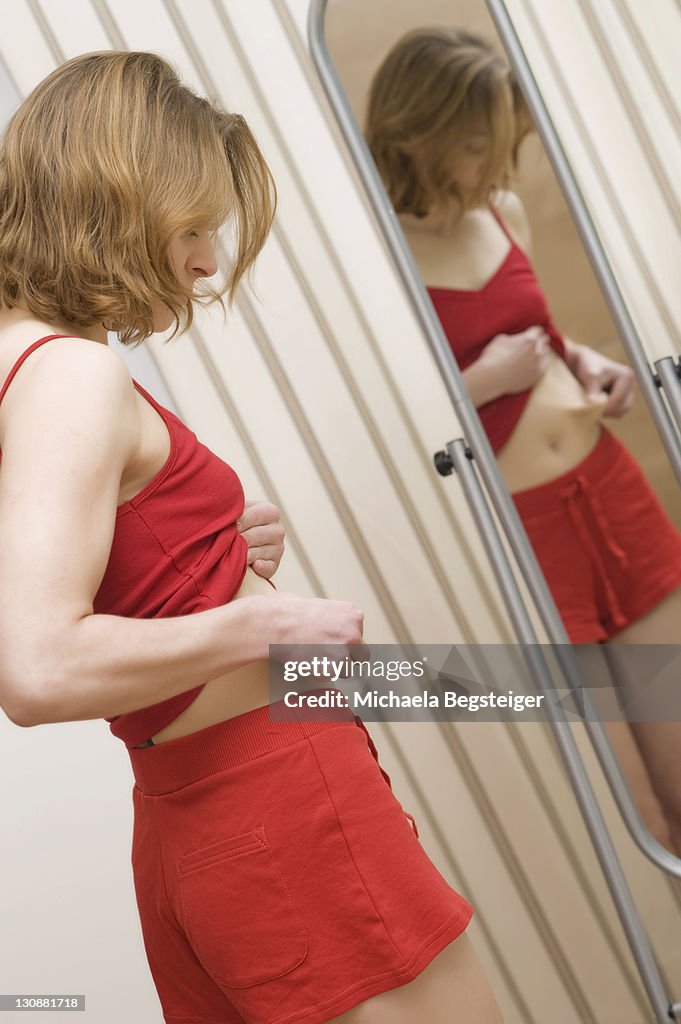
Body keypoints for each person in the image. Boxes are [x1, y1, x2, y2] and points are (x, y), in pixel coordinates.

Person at [0, 52, 503, 1024]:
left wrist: (210, 560)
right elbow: (37, 665)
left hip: (202, 829)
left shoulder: (19, 363)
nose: (206, 264)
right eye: (192, 227)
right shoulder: (72, 374)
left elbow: (84, 576)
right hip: (274, 802)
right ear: (113, 198)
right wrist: (254, 630)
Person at [365, 28, 681, 853]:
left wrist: (587, 361)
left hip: (608, 491)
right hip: (528, 536)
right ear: (416, 135)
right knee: (639, 815)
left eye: (498, 145)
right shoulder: (374, 256)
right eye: (474, 148)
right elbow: (395, 429)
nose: (493, 169)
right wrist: (486, 383)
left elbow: (534, 333)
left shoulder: (499, 213)